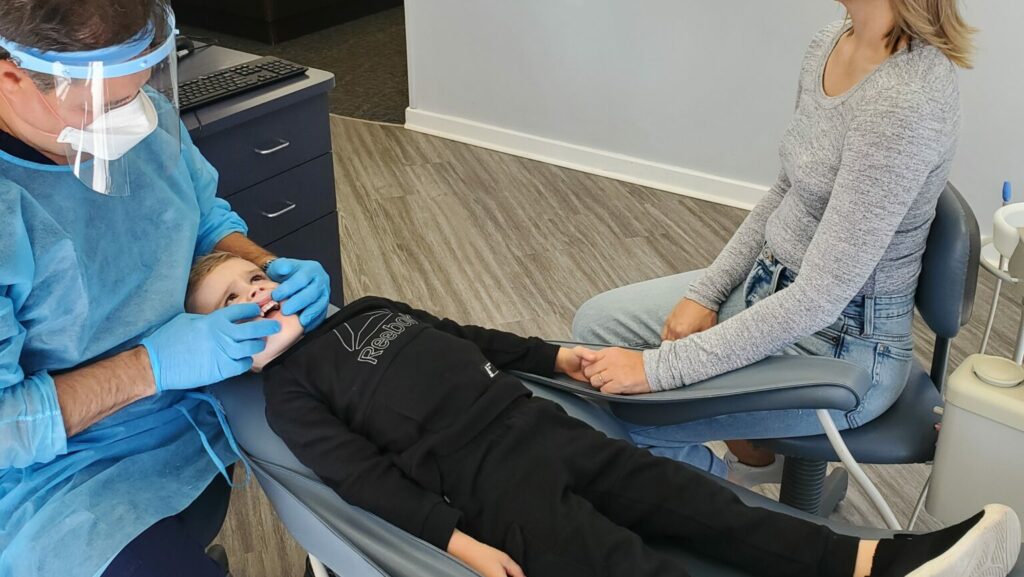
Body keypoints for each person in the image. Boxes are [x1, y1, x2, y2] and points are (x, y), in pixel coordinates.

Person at [183, 251, 1021, 577]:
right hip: (487, 487)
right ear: (219, 337)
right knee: (627, 564)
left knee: (701, 504)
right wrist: (460, 541)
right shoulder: (291, 393)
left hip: (537, 422)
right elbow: (361, 478)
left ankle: (876, 560)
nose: (254, 295)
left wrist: (555, 357)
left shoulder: (362, 304)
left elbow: (469, 334)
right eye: (230, 301)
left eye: (252, 279)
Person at [571, 0, 974, 482]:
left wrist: (659, 371)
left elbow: (820, 299)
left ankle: (724, 509)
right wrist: (707, 292)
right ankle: (755, 462)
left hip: (843, 348)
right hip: (771, 281)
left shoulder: (907, 100)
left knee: (620, 413)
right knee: (595, 328)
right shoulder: (828, 42)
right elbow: (788, 188)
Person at [0, 2, 331, 576]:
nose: (135, 118)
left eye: (141, 89)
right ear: (11, 77)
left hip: (206, 395)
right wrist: (150, 367)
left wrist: (271, 268)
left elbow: (203, 219)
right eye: (106, 104)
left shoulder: (137, 115)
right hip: (67, 475)